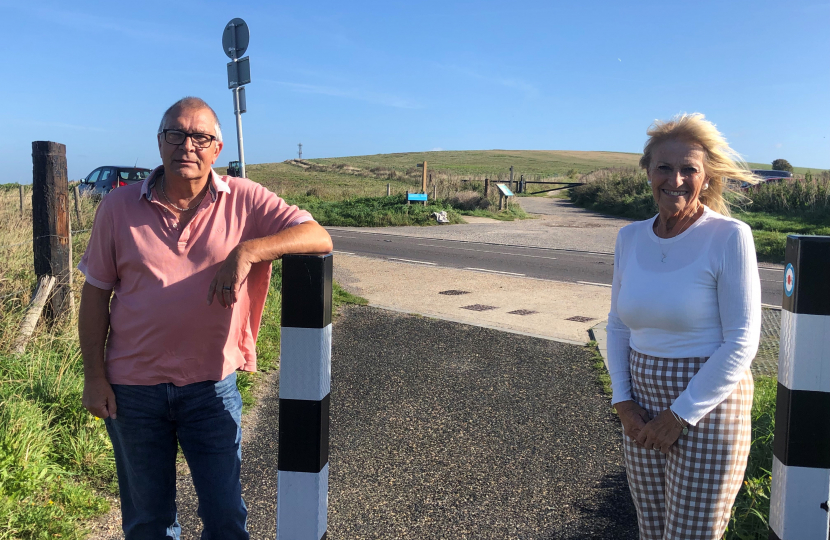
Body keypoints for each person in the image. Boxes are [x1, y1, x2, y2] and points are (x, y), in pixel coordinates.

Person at [78, 97, 333, 538]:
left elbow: (317, 236)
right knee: (148, 523)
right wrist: (94, 377)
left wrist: (250, 249)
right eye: (175, 134)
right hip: (133, 391)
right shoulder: (117, 208)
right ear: (160, 143)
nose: (187, 146)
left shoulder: (244, 198)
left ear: (217, 149)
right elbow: (95, 295)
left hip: (211, 388)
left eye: (200, 137)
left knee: (225, 519)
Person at [607, 113, 761, 539]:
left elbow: (743, 341)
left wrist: (680, 415)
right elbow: (618, 325)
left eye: (688, 169)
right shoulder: (630, 237)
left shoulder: (729, 236)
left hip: (706, 407)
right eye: (664, 167)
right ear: (648, 172)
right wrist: (622, 401)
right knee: (652, 530)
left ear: (707, 177)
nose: (675, 179)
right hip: (640, 405)